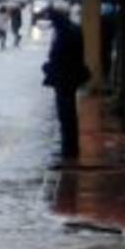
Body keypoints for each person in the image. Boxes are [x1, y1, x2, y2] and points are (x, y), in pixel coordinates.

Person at [43, 9, 89, 159]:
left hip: (65, 77)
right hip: (70, 76)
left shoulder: (65, 33)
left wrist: (50, 65)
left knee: (66, 113)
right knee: (68, 113)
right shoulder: (73, 29)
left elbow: (59, 55)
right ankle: (69, 147)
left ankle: (69, 149)